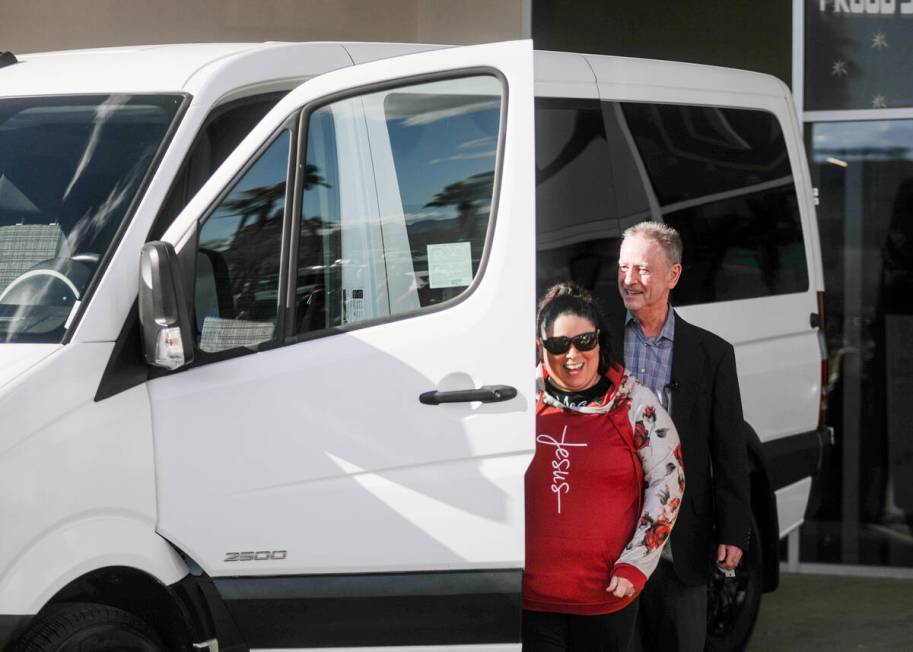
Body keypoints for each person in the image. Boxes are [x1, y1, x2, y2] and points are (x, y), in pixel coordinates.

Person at [523, 282, 684, 652]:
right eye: (558, 345)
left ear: (599, 340)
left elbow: (669, 481)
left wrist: (637, 564)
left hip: (607, 593)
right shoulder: (519, 402)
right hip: (531, 598)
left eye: (584, 341)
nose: (573, 354)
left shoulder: (634, 404)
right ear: (540, 347)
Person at [617, 221, 751, 652]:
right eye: (623, 268)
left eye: (642, 269)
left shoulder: (711, 354)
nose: (629, 280)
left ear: (673, 275)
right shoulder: (597, 344)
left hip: (682, 543)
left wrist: (733, 530)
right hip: (611, 543)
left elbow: (728, 450)